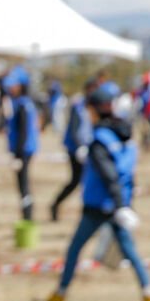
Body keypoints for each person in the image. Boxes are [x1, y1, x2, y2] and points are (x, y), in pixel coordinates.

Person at [46, 84, 150, 301]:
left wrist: (119, 205)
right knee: (130, 251)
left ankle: (60, 294)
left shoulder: (100, 139)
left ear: (95, 110)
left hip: (99, 205)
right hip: (120, 205)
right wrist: (126, 205)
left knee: (74, 249)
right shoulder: (125, 136)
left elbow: (110, 175)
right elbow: (127, 172)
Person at [50, 78, 98, 222]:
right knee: (76, 181)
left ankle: (86, 212)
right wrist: (80, 148)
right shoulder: (78, 106)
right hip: (75, 149)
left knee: (83, 181)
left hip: (86, 149)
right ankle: (56, 204)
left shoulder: (92, 106)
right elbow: (75, 130)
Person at [4, 66, 39, 221]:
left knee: (23, 184)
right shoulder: (23, 102)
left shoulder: (22, 104)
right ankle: (27, 214)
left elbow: (23, 131)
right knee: (23, 184)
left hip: (23, 151)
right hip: (24, 149)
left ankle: (27, 217)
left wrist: (18, 154)